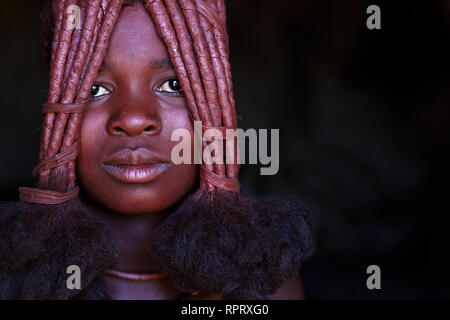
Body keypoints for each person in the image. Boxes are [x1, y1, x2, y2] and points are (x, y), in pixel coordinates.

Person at [0, 0, 315, 300]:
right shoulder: (14, 275)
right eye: (94, 89)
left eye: (173, 85)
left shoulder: (264, 283)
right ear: (58, 100)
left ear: (220, 98)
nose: (134, 119)